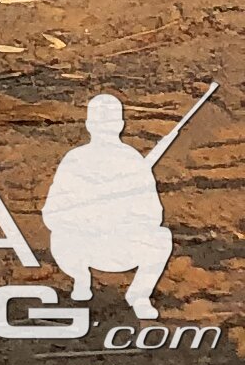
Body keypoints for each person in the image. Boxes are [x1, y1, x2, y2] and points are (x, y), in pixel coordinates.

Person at [46, 91, 185, 320]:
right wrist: (86, 217)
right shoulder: (74, 159)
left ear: (120, 124)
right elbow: (52, 213)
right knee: (60, 235)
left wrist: (121, 216)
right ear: (89, 124)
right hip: (83, 245)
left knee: (161, 237)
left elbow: (153, 215)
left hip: (122, 245)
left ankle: (139, 294)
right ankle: (80, 278)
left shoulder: (132, 160)